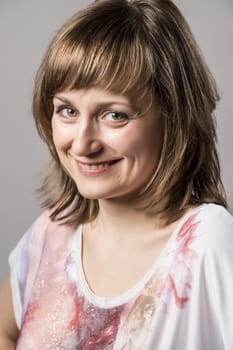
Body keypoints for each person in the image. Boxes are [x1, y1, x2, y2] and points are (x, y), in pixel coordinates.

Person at [0, 0, 233, 348]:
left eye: (115, 115)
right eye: (67, 110)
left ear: (174, 118)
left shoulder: (208, 241)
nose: (82, 144)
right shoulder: (55, 228)